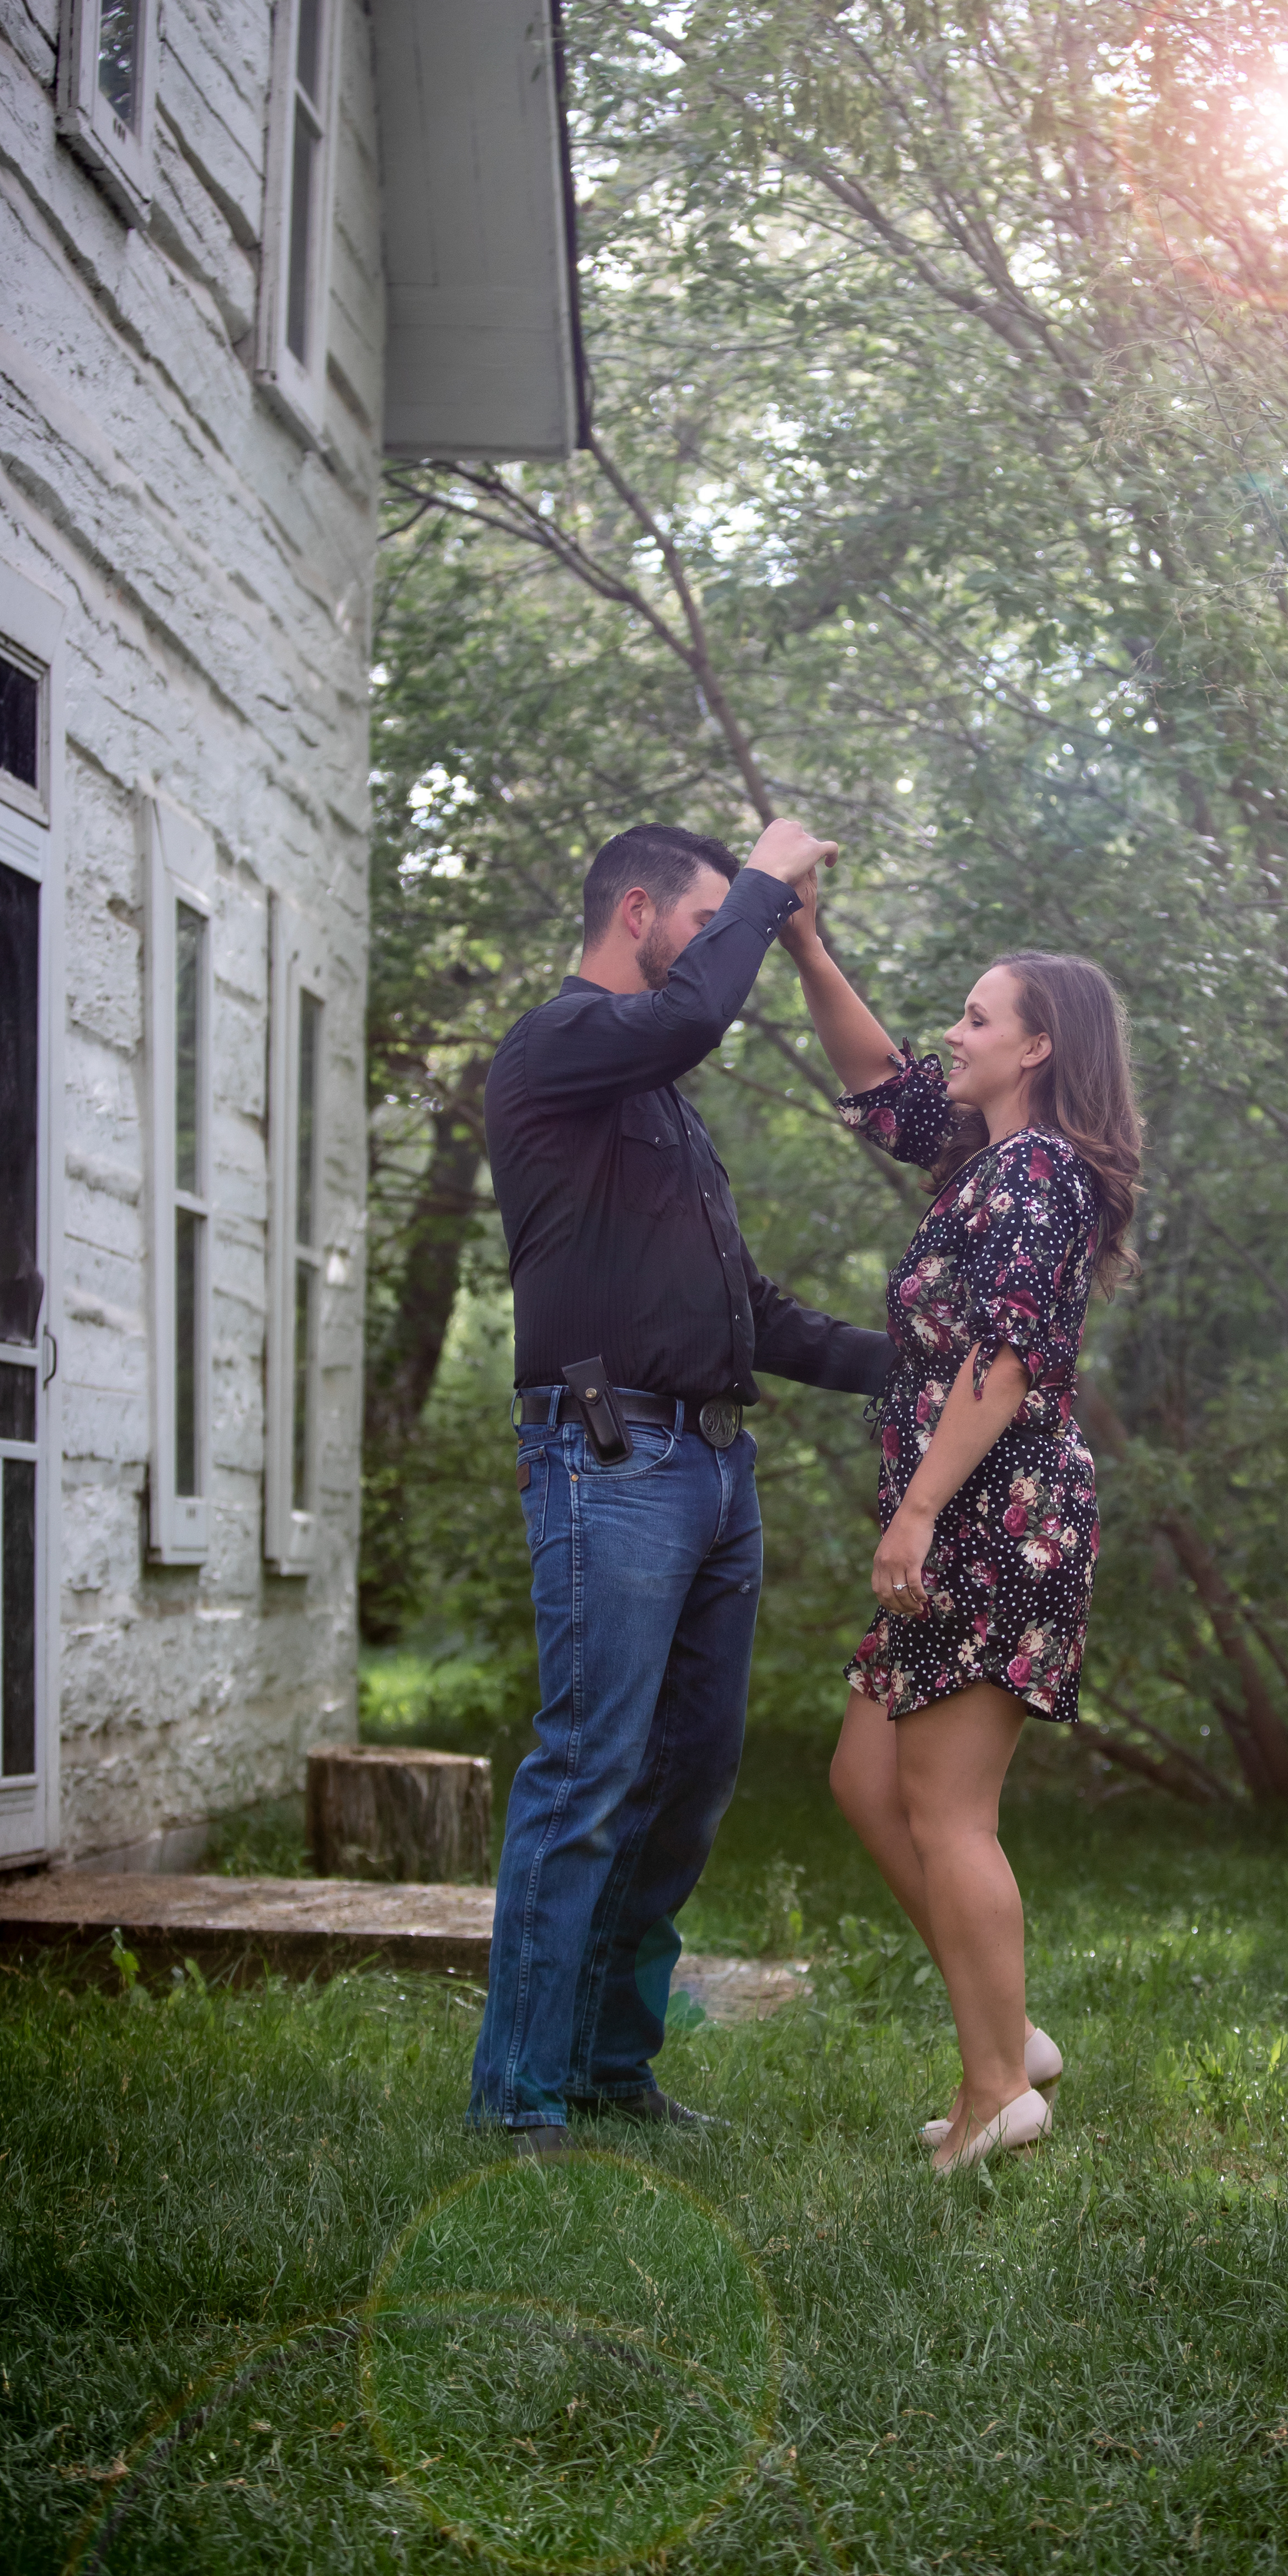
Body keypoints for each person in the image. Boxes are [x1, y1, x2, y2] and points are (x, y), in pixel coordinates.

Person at [469, 819, 893, 2152]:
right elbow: (701, 1010)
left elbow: (748, 1308)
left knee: (686, 1779)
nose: (730, 953)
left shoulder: (656, 1100)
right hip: (611, 1457)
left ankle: (607, 2066)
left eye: (738, 925)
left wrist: (923, 1366)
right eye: (712, 924)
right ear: (640, 912)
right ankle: (520, 2095)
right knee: (588, 1772)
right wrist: (770, 882)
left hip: (714, 1463)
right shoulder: (561, 1045)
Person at [790, 928, 1143, 2170]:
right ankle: (1011, 2034)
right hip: (968, 1510)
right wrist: (802, 939)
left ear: (1038, 1047)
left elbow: (1005, 1362)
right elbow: (882, 1082)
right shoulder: (983, 1165)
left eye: (979, 1018)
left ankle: (998, 2085)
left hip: (997, 1517)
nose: (955, 1030)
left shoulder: (1039, 1177)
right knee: (865, 1779)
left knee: (947, 1807)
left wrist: (920, 1506)